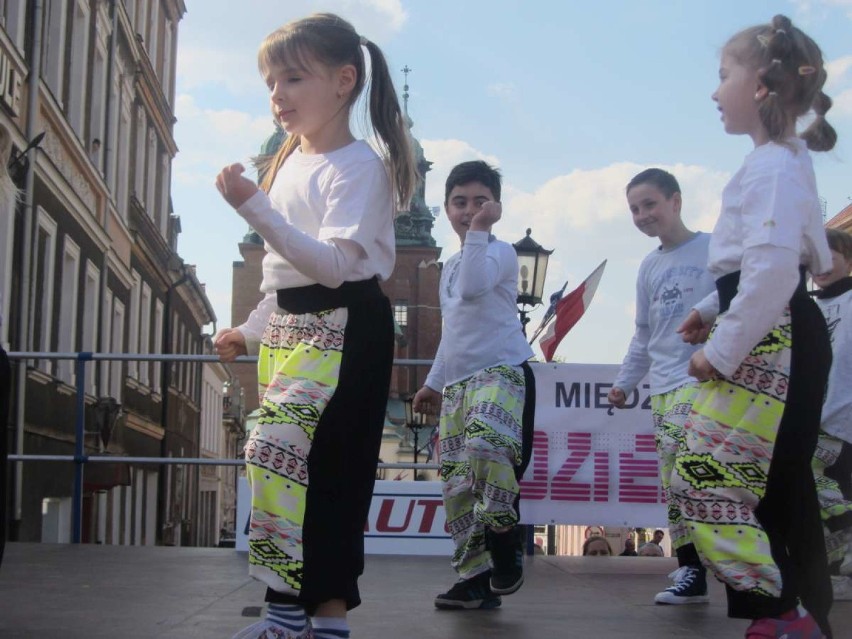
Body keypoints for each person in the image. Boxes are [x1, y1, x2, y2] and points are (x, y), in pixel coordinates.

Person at [213, 13, 417, 639]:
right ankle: (292, 614)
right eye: (271, 81)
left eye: (294, 78)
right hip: (292, 330)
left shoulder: (361, 168)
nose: (278, 94)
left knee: (305, 460)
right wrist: (249, 330)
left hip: (346, 323)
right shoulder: (286, 163)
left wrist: (254, 207)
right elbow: (283, 275)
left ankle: (317, 618)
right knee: (281, 462)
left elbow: (331, 267)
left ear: (343, 81)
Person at [673, 14, 837, 639]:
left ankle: (783, 612)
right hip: (776, 325)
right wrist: (712, 311)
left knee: (704, 474)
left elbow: (770, 272)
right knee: (765, 484)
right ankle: (785, 614)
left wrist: (721, 347)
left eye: (723, 76)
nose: (715, 92)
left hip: (772, 336)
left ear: (761, 87)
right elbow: (765, 266)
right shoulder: (779, 163)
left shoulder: (772, 166)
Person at [413, 160, 535, 611]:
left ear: (496, 206)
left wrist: (481, 231)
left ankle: (506, 539)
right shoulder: (450, 266)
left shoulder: (499, 252)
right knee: (457, 486)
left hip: (501, 371)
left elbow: (471, 289)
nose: (469, 211)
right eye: (460, 202)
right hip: (459, 384)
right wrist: (432, 382)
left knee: (488, 446)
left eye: (480, 201)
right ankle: (474, 580)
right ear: (446, 208)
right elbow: (454, 328)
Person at [607, 168, 715, 605]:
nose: (642, 215)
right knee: (675, 483)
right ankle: (691, 571)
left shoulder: (714, 248)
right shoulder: (649, 266)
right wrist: (624, 383)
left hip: (708, 381)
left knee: (700, 476)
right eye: (634, 209)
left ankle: (751, 566)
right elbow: (644, 332)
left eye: (649, 204)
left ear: (676, 201)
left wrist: (707, 314)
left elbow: (741, 291)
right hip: (665, 387)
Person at [811, 228, 852, 601]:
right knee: (821, 494)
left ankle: (840, 569)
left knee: (837, 492)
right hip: (807, 418)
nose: (821, 263)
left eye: (831, 254)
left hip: (843, 418)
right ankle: (831, 566)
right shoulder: (804, 306)